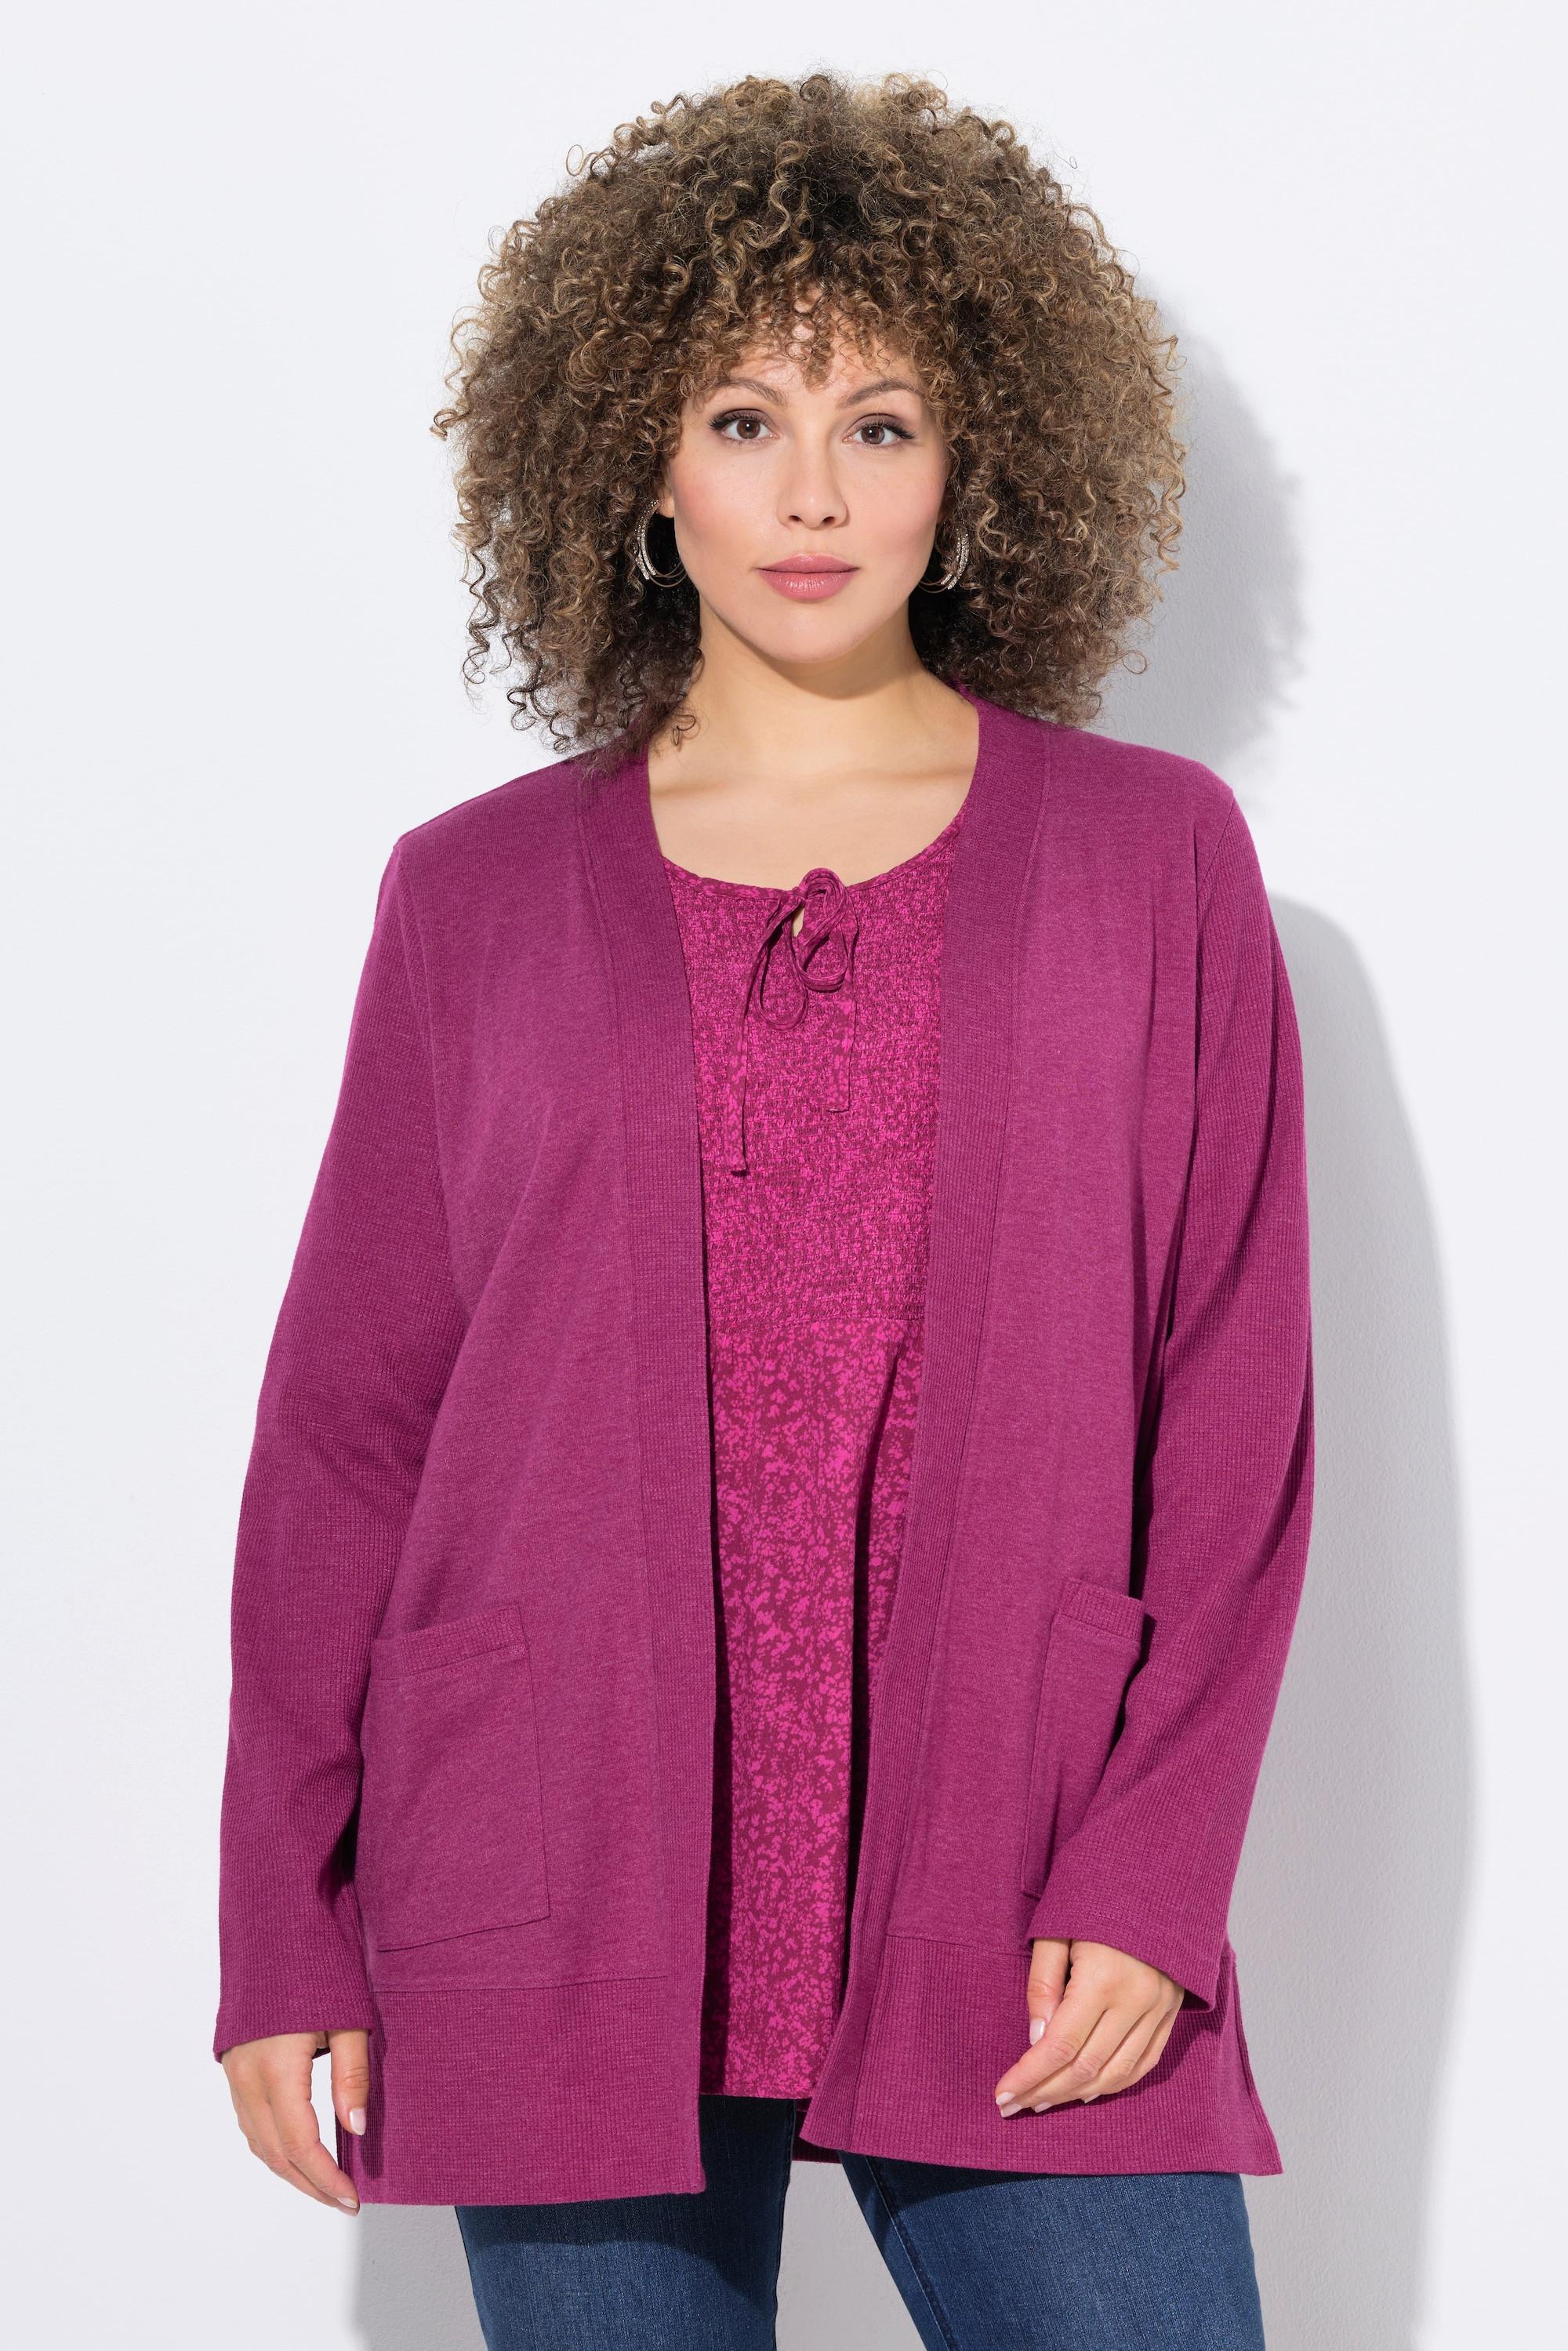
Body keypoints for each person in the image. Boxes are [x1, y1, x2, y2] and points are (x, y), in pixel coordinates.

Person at [214, 69, 1313, 2351]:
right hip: (553, 1860)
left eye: (879, 425)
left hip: (1026, 1868)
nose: (812, 493)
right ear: (639, 456)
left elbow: (1235, 1407)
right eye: (744, 418)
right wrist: (283, 1916)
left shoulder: (1153, 863)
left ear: (974, 462)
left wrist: (1153, 1864)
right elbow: (346, 1429)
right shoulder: (475, 899)